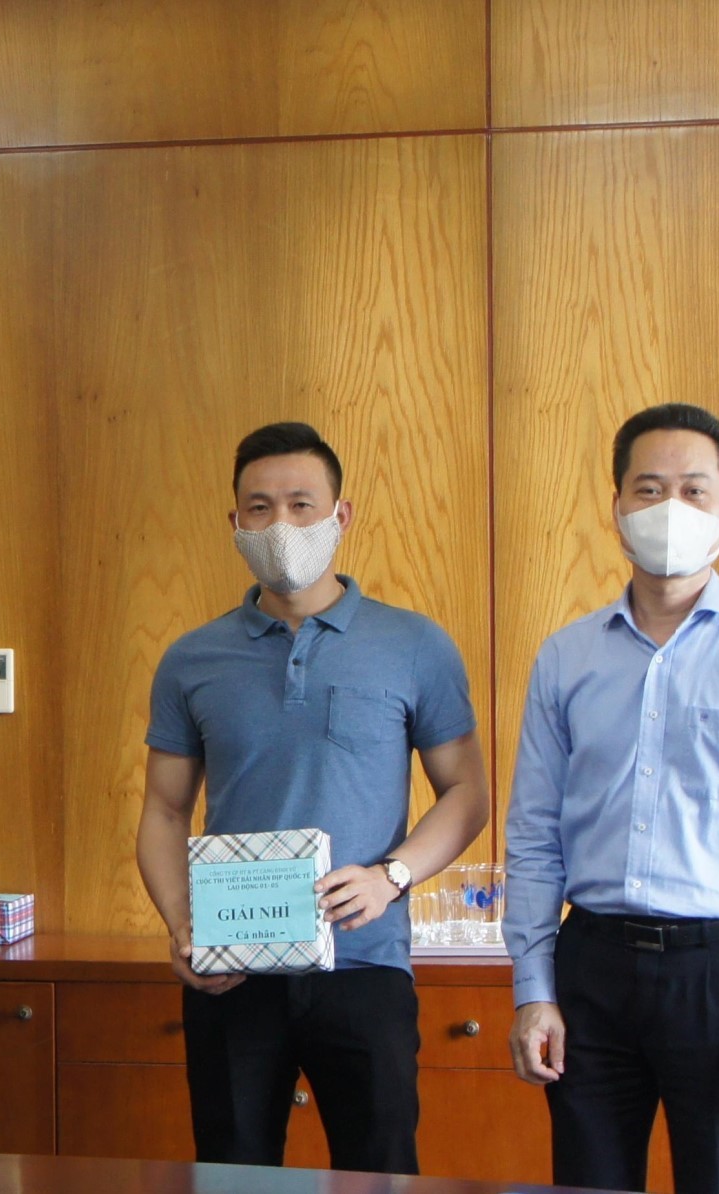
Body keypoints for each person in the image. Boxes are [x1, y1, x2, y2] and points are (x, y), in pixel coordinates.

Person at [503, 403, 719, 1194]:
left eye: (694, 490)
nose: (671, 508)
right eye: (649, 488)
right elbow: (533, 834)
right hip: (593, 970)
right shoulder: (565, 658)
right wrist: (533, 990)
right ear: (617, 506)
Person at [135, 422, 491, 1173]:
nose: (282, 526)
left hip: (366, 965)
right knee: (233, 1174)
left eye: (302, 505)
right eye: (260, 508)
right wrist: (180, 925)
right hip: (233, 967)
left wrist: (392, 876)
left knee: (380, 1172)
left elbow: (466, 793)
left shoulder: (415, 645)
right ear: (235, 522)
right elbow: (163, 811)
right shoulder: (191, 658)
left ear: (341, 515)